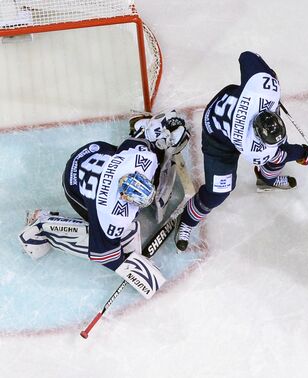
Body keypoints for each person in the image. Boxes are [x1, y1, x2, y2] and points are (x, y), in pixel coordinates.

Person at [18, 110, 190, 299]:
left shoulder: (139, 160)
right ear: (125, 198)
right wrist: (130, 269)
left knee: (144, 156)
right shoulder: (113, 216)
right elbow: (103, 254)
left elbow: (141, 138)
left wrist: (161, 133)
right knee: (117, 237)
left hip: (91, 152)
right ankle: (42, 224)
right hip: (74, 184)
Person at [174, 51, 308, 251]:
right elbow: (285, 153)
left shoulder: (261, 91)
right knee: (218, 193)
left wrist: (269, 76)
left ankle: (268, 179)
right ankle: (186, 220)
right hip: (218, 137)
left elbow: (247, 56)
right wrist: (306, 154)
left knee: (278, 153)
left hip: (235, 104)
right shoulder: (252, 147)